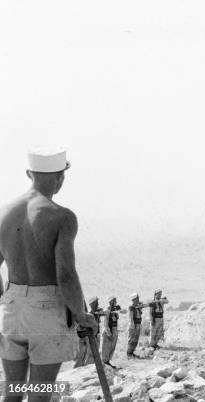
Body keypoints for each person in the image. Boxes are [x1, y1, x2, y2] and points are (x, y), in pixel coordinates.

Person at [0, 147, 97, 402]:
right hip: (45, 312)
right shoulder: (61, 217)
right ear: (60, 178)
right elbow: (65, 274)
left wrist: (5, 300)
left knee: (13, 392)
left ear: (28, 173)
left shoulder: (3, 212)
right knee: (39, 395)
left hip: (11, 309)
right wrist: (80, 315)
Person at [101, 296, 120, 368]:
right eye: (115, 301)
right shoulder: (107, 310)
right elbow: (106, 324)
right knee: (106, 348)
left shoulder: (114, 311)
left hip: (114, 332)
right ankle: (105, 363)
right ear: (111, 302)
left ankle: (108, 362)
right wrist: (109, 334)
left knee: (111, 348)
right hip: (108, 333)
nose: (116, 302)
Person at [84, 296, 104, 365]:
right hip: (91, 337)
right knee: (90, 354)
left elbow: (103, 313)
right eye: (96, 303)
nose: (98, 304)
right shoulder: (89, 314)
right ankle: (85, 369)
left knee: (95, 354)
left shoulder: (96, 312)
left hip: (96, 336)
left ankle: (91, 367)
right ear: (92, 304)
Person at [127, 293, 145, 358]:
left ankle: (132, 352)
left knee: (136, 340)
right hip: (133, 325)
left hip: (138, 324)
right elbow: (131, 317)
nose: (138, 300)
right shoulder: (131, 307)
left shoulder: (137, 307)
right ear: (134, 299)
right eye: (137, 298)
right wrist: (132, 325)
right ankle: (129, 354)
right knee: (131, 340)